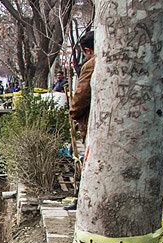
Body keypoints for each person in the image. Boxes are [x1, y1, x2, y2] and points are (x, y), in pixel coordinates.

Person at [66, 31, 95, 211]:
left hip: (92, 124)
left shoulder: (91, 65)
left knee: (88, 162)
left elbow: (82, 94)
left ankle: (80, 200)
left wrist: (73, 113)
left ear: (88, 50)